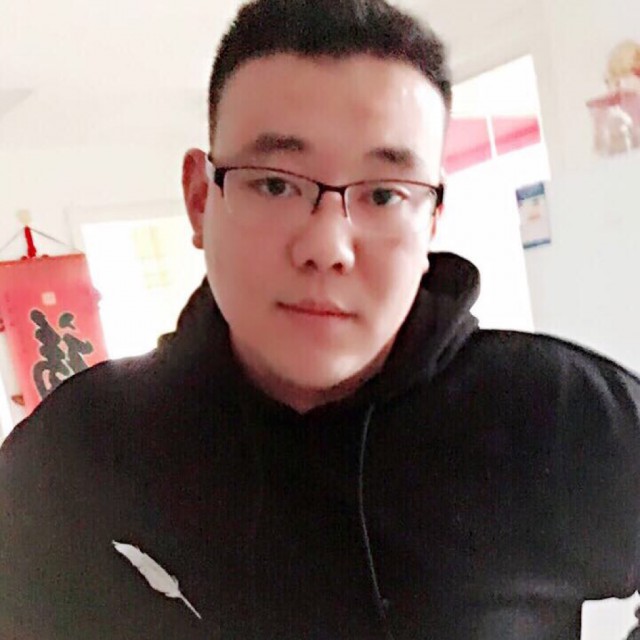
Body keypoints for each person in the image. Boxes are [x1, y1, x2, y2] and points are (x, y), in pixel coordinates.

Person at [1, 0, 640, 638]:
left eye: (384, 193)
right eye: (275, 184)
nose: (327, 247)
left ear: (431, 221)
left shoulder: (558, 415)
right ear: (200, 200)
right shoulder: (79, 449)